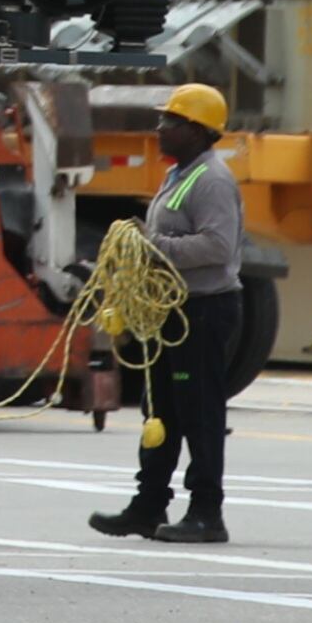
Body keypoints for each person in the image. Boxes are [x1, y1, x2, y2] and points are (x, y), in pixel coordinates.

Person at [92, 82, 245, 546]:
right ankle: (148, 505)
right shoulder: (180, 174)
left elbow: (218, 247)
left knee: (199, 412)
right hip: (173, 310)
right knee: (159, 410)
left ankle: (206, 513)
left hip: (204, 310)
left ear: (197, 130)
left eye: (170, 121)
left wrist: (151, 245)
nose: (159, 128)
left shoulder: (212, 180)